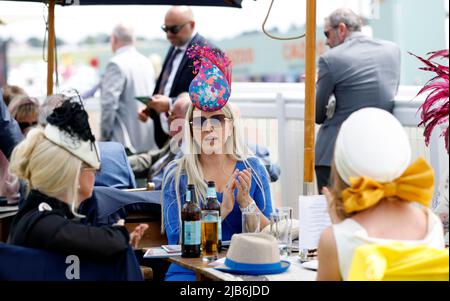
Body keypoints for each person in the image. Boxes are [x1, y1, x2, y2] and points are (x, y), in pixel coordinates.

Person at [162, 46, 273, 281]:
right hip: (190, 271)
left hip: (242, 269)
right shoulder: (176, 175)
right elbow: (177, 242)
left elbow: (271, 236)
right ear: (191, 128)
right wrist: (219, 213)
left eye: (218, 119)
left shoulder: (254, 169)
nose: (209, 127)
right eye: (200, 120)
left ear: (231, 125)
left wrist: (247, 203)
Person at [8, 97, 148, 258]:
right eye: (94, 167)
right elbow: (97, 239)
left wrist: (122, 239)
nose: (96, 173)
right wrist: (120, 236)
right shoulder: (41, 220)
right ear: (73, 172)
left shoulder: (42, 212)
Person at [317, 108, 446, 281]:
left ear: (340, 170)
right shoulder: (432, 226)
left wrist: (340, 229)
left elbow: (350, 244)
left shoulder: (333, 240)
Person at [315, 8, 401, 192]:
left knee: (333, 216)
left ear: (342, 29)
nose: (327, 41)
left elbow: (317, 115)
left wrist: (318, 84)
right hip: (380, 151)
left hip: (335, 155)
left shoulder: (330, 59)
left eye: (327, 33)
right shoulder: (392, 51)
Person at [140, 6, 212, 149]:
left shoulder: (207, 52)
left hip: (189, 138)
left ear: (191, 25)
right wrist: (149, 107)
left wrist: (171, 104)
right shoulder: (174, 47)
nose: (168, 34)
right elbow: (164, 84)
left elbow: (209, 97)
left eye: (174, 29)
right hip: (166, 136)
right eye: (165, 29)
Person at [100, 23, 156, 155]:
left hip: (124, 143)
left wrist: (104, 136)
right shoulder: (146, 62)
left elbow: (108, 104)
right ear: (133, 40)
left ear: (113, 39)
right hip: (147, 140)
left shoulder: (115, 64)